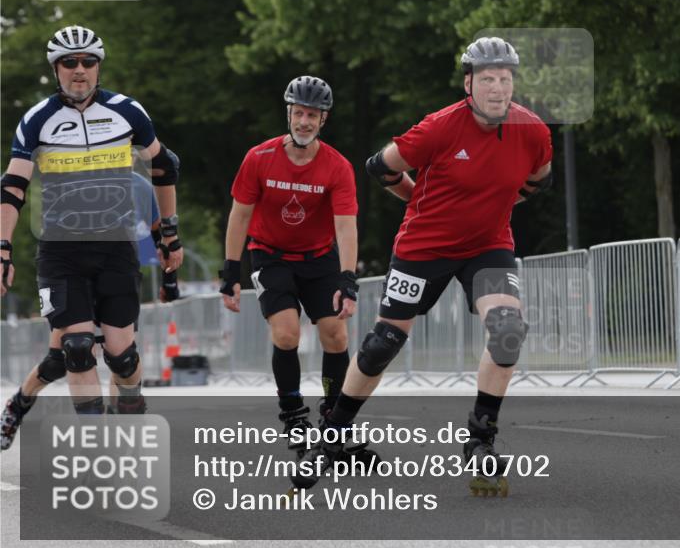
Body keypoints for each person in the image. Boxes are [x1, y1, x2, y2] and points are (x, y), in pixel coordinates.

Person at [302, 37, 553, 494]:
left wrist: (496, 208)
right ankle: (333, 435)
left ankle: (480, 438)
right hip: (424, 245)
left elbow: (539, 180)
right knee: (384, 343)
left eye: (506, 78)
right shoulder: (440, 127)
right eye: (488, 79)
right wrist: (417, 197)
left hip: (488, 246)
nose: (498, 88)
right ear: (468, 83)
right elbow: (380, 166)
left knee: (509, 329)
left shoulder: (532, 130)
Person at [0, 25, 183, 422]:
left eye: (88, 62)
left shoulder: (127, 111)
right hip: (60, 251)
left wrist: (169, 233)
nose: (79, 70)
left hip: (116, 247)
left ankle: (132, 400)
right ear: (56, 69)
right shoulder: (37, 120)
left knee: (122, 356)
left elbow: (164, 167)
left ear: (99, 67)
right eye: (69, 62)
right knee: (77, 348)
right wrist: (3, 249)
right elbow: (12, 187)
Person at [219, 76, 360, 452]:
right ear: (289, 113)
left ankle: (334, 415)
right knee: (286, 334)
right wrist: (231, 272)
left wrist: (348, 278)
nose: (304, 122)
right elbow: (239, 216)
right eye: (299, 113)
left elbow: (345, 225)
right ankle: (294, 414)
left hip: (319, 258)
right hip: (271, 256)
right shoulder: (259, 158)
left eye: (312, 116)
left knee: (336, 335)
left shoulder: (337, 166)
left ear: (323, 120)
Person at [1, 171, 180, 450]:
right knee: (66, 355)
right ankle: (18, 405)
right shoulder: (72, 178)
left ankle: (118, 431)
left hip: (116, 267)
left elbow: (161, 234)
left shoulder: (139, 185)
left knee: (121, 359)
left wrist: (170, 280)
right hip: (71, 267)